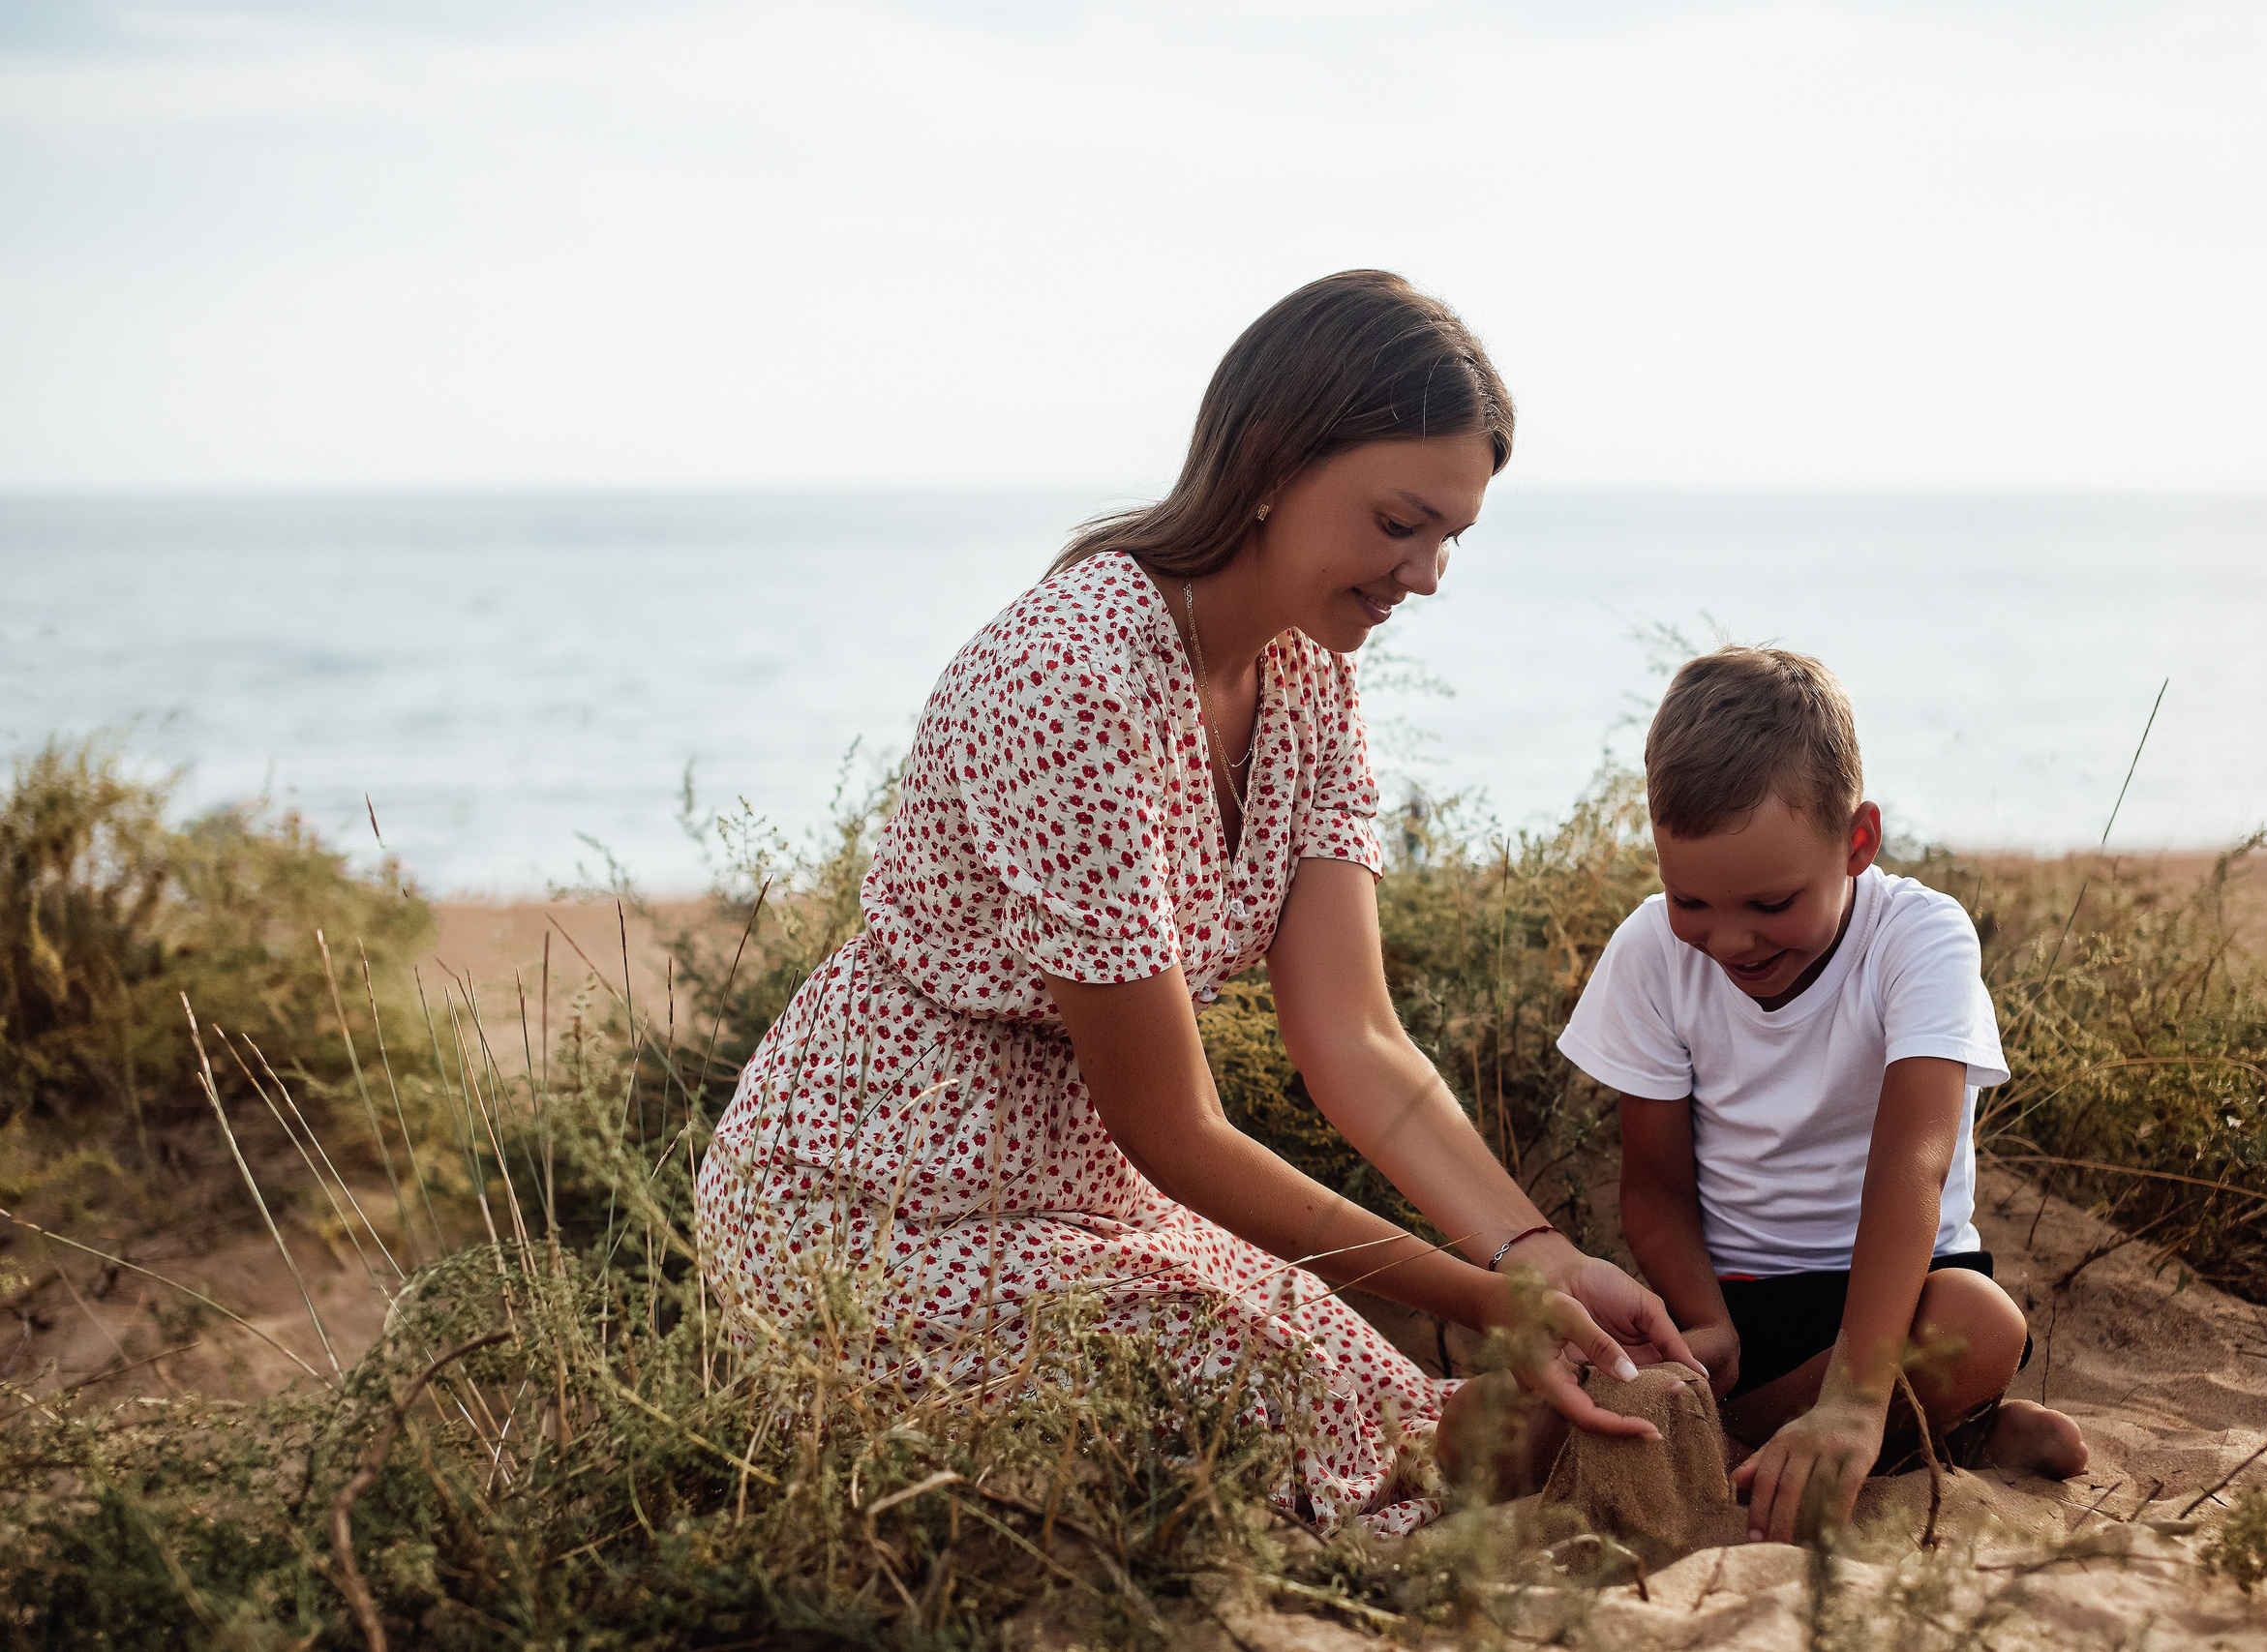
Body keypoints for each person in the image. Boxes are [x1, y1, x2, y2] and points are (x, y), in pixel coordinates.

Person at [695, 270, 1701, 1537]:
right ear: (1272, 459)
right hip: (871, 1215)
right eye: (1403, 522)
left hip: (1090, 1205)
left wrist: (1531, 1250)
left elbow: (1359, 1039)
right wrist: (1483, 1296)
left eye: (1453, 536)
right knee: (1299, 1445)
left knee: (1380, 1412)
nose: (1430, 574)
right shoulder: (1072, 669)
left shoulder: (1313, 680)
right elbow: (1171, 1121)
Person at [1557, 646, 2089, 1546]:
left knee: (1980, 1325)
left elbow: (1913, 1162)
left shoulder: (1920, 936)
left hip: (1899, 1283)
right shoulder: (1652, 950)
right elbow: (1652, 1186)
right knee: (1623, 1361)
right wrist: (1705, 1321)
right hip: (1739, 1302)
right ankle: (1937, 1432)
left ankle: (1806, 1433)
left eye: (1770, 902)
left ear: (1858, 841)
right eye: (1690, 898)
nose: (1730, 940)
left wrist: (1850, 1392)